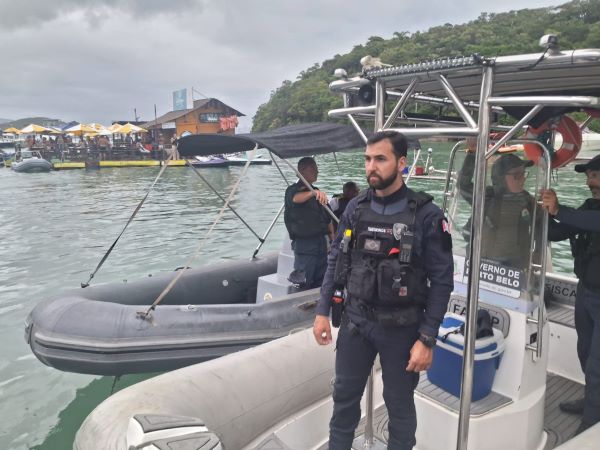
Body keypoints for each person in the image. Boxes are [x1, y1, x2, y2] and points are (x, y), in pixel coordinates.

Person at [313, 131, 454, 449]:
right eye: (367, 159)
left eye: (380, 159)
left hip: (402, 329)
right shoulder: (355, 208)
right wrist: (322, 310)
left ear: (401, 163)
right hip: (356, 322)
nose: (371, 167)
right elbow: (336, 259)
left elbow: (442, 281)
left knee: (399, 406)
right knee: (344, 401)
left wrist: (427, 339)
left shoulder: (427, 215)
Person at [541, 154, 600, 434]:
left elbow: (590, 221)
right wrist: (542, 211)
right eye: (588, 177)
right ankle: (593, 401)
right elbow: (556, 233)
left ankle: (591, 425)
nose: (590, 182)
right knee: (585, 352)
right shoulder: (590, 207)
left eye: (595, 176)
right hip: (585, 292)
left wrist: (560, 210)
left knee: (598, 364)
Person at [458, 148, 539, 269]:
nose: (523, 179)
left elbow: (546, 231)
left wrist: (555, 209)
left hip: (515, 269)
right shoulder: (487, 197)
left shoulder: (528, 201)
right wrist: (473, 154)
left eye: (524, 174)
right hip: (482, 266)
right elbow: (463, 185)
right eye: (517, 175)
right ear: (501, 178)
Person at [284, 156, 334, 289]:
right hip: (304, 245)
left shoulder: (318, 192)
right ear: (301, 171)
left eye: (316, 169)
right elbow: (296, 199)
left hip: (321, 243)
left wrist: (332, 239)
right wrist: (313, 193)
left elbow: (328, 218)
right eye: (313, 169)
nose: (317, 172)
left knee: (322, 280)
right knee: (303, 281)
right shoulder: (292, 190)